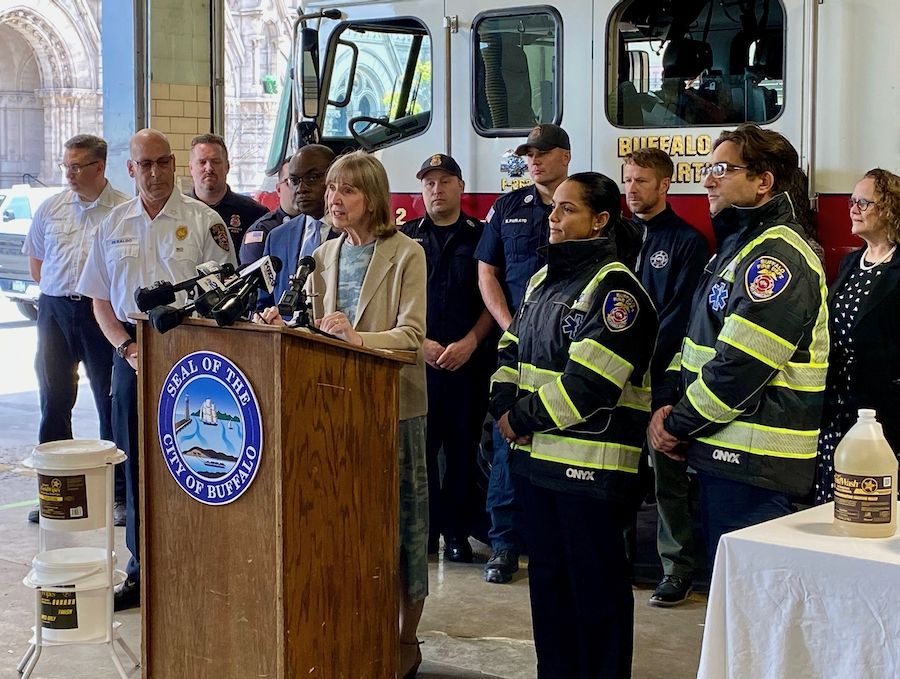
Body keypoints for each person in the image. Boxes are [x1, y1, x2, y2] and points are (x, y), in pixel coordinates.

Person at [256, 151, 427, 679]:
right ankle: (353, 626)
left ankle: (405, 637)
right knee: (348, 526)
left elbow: (413, 335)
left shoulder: (407, 254)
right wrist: (282, 324)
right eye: (331, 190)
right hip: (333, 413)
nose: (333, 200)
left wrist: (359, 338)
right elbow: (313, 328)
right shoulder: (323, 254)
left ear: (372, 198)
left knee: (404, 525)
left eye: (346, 191)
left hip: (393, 410)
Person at [491, 172, 657, 678]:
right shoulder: (543, 279)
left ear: (600, 221)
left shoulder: (616, 292)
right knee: (550, 593)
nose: (553, 218)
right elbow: (510, 348)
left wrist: (519, 417)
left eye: (567, 210)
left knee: (597, 600)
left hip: (593, 476)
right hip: (538, 468)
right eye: (552, 208)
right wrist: (501, 399)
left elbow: (590, 386)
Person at [648, 124, 829, 565]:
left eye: (722, 169)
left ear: (763, 182)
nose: (708, 180)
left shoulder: (776, 257)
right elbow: (696, 343)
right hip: (724, 452)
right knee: (732, 610)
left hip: (755, 464)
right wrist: (668, 402)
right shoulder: (737, 246)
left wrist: (676, 425)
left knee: (752, 615)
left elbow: (739, 369)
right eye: (708, 168)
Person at [77, 129, 237, 610]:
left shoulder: (204, 223)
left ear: (174, 164)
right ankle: (141, 570)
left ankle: (195, 564)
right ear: (131, 169)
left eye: (162, 162)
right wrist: (127, 349)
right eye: (144, 164)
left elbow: (225, 294)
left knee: (198, 460)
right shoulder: (113, 224)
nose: (154, 172)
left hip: (190, 353)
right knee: (138, 460)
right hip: (132, 353)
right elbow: (100, 301)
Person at [474, 123, 571, 584]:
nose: (533, 160)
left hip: (570, 348)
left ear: (565, 157)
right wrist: (512, 326)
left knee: (562, 438)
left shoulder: (585, 204)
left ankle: (556, 542)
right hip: (515, 347)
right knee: (507, 438)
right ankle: (504, 545)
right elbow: (487, 272)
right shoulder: (507, 207)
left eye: (543, 152)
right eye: (529, 154)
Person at [22, 134, 129, 525]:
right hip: (53, 312)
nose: (69, 173)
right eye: (66, 166)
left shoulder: (121, 211)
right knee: (54, 402)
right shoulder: (51, 209)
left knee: (110, 404)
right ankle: (57, 495)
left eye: (77, 166)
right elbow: (37, 264)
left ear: (100, 167)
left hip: (99, 313)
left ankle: (118, 497)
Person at [623, 148, 708, 607]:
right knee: (616, 471)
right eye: (628, 179)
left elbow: (679, 316)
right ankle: (617, 559)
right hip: (613, 378)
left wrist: (651, 365)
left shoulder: (687, 242)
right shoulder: (617, 235)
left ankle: (676, 569)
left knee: (666, 477)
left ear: (664, 185)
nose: (632, 189)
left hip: (660, 376)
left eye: (642, 181)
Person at [401, 153, 495, 563]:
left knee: (461, 454)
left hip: (466, 365)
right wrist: (421, 344)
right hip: (417, 365)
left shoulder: (481, 236)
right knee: (419, 457)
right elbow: (396, 301)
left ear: (460, 186)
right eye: (429, 183)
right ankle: (424, 535)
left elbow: (493, 298)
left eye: (444, 181)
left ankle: (456, 534)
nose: (436, 190)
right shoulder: (404, 237)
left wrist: (471, 343)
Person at [815, 168, 900, 503]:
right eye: (852, 201)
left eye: (864, 203)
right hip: (836, 404)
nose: (853, 208)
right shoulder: (851, 262)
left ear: (890, 209)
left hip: (883, 410)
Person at [258, 145, 336, 310]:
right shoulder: (277, 237)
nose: (301, 189)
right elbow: (264, 302)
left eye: (313, 178)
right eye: (294, 181)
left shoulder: (352, 234)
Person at [188, 133, 267, 251]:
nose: (209, 168)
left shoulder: (254, 213)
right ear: (191, 168)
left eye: (216, 161)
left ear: (227, 167)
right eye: (202, 162)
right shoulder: (177, 212)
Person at [239, 157, 301, 265]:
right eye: (292, 181)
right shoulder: (262, 230)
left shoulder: (320, 226)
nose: (299, 188)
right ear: (278, 189)